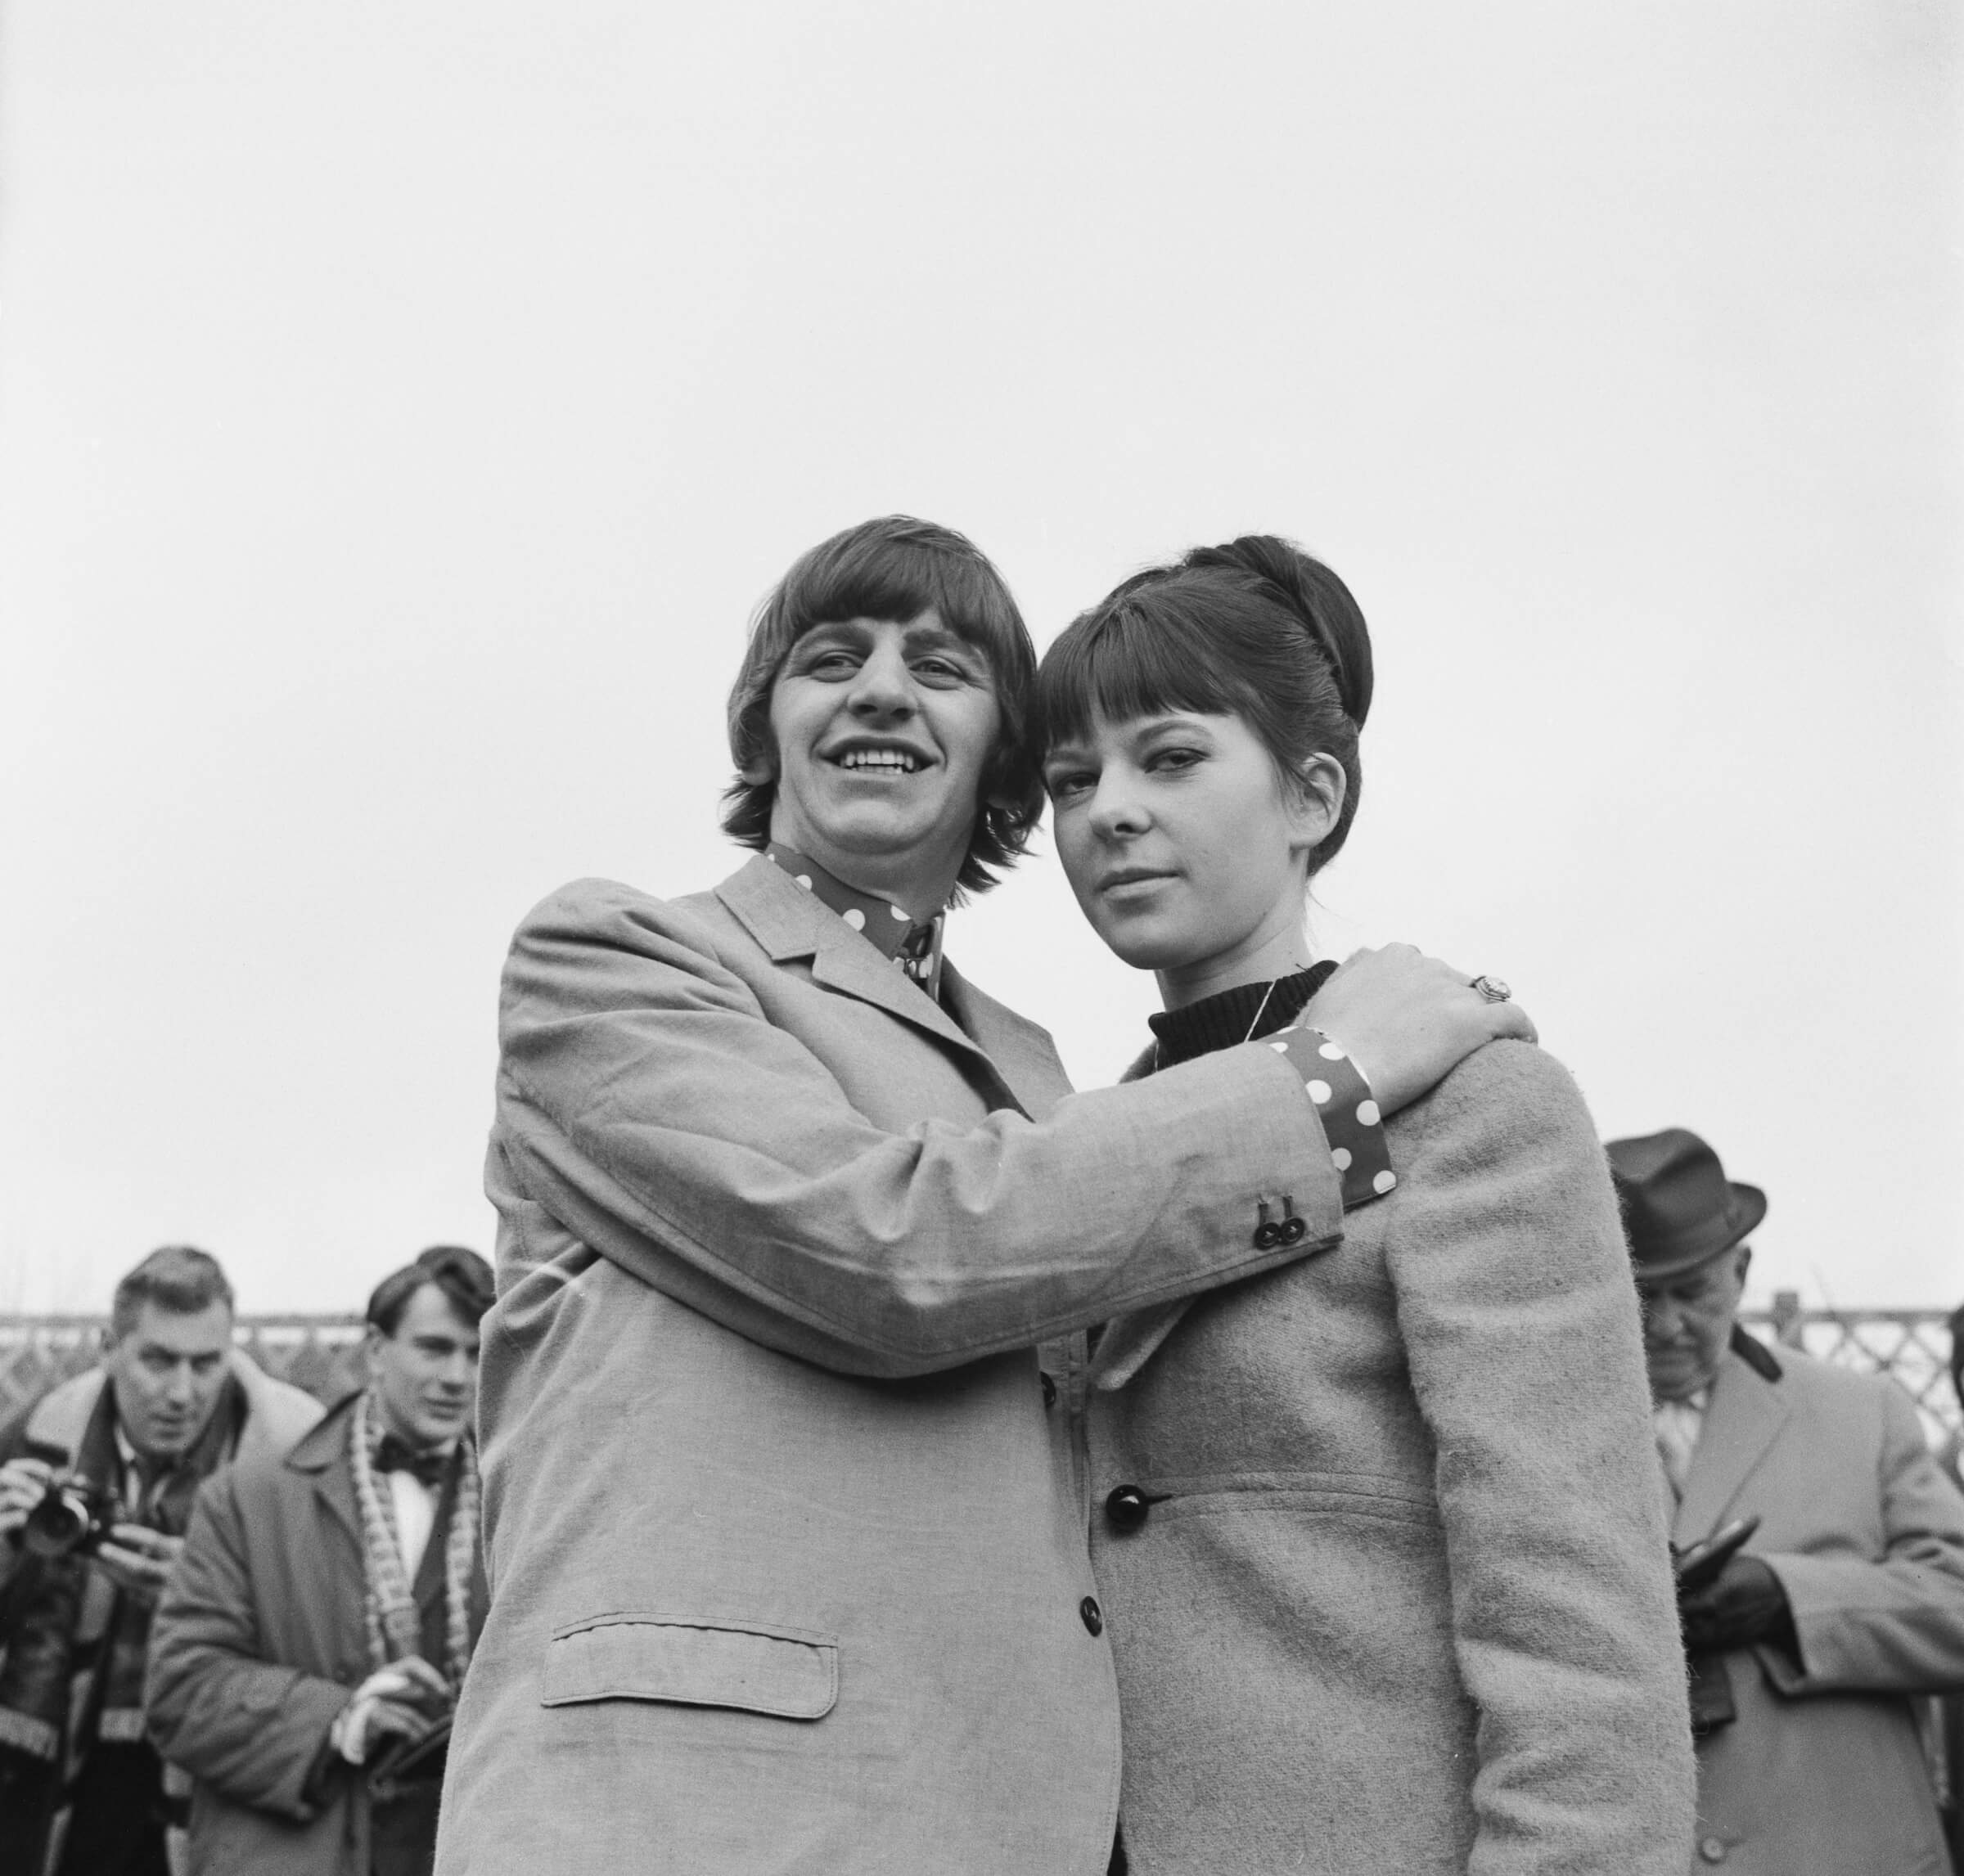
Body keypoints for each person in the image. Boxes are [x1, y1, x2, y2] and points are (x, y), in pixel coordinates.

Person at [435, 515, 1533, 1874]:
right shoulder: (614, 959)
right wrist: (1331, 1081)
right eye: (831, 658)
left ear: (1006, 768)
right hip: (682, 1815)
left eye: (942, 668)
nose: (882, 688)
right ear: (764, 725)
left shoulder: (1044, 1079)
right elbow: (891, 1247)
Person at [1038, 536, 1694, 1874]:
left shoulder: (1474, 1110)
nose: (1107, 807)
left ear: (1312, 795)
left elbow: (1579, 1632)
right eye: (1068, 778)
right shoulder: (1078, 1149)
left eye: (1168, 757)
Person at [1610, 1125, 1964, 1875]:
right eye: (1640, 1295)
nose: (1667, 1326)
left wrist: (1785, 1600)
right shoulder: (1537, 1430)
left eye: (1694, 1291)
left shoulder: (1864, 1410)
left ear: (1740, 1269)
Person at [146, 1246, 493, 1876]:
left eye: (476, 1353)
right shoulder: (248, 1498)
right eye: (435, 1348)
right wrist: (338, 1718)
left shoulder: (519, 1505)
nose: (458, 1377)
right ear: (375, 1350)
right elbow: (182, 1688)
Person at [0, 1248, 321, 1876]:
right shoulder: (35, 1435)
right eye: (158, 1360)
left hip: (220, 1785)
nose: (182, 1393)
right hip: (52, 1781)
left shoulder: (297, 1458)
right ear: (106, 1348)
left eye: (207, 1365)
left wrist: (211, 1597)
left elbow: (330, 1643)